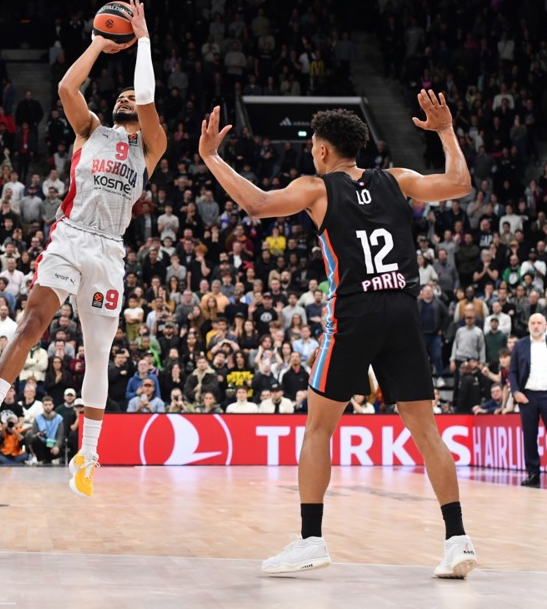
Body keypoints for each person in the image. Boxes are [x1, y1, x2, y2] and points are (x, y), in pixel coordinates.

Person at [198, 90, 477, 578]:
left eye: (312, 147)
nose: (312, 154)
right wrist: (447, 131)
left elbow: (256, 204)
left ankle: (311, 539)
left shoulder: (316, 187)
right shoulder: (397, 179)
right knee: (425, 429)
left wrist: (211, 158)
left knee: (319, 427)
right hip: (402, 309)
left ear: (323, 150)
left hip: (354, 312)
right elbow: (459, 183)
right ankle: (458, 540)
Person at [0, 0, 166, 499]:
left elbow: (146, 94)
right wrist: (99, 44)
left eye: (132, 97)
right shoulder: (91, 130)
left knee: (98, 355)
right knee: (32, 322)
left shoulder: (151, 146)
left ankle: (89, 454)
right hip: (71, 236)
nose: (127, 98)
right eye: (121, 95)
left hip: (110, 252)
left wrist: (143, 39)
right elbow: (65, 88)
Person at [508, 312, 547, 488]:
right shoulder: (520, 345)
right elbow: (513, 371)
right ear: (528, 325)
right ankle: (533, 474)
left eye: (539, 322)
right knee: (530, 436)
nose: (536, 326)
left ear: (545, 325)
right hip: (527, 396)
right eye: (533, 323)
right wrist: (515, 392)